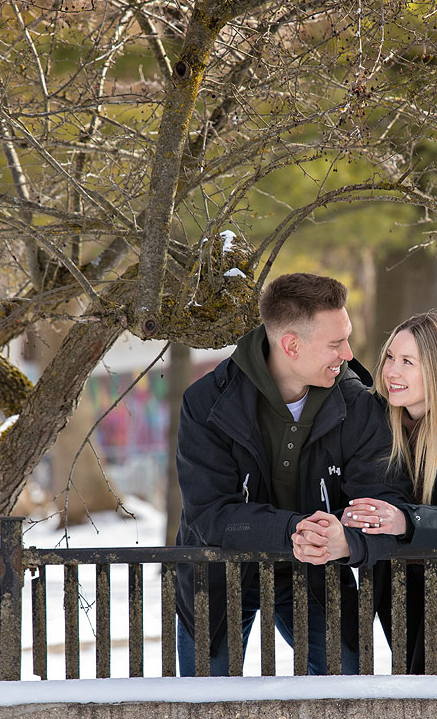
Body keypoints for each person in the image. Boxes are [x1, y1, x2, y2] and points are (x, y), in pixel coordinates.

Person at [174, 272, 408, 676]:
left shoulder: (360, 404)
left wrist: (344, 538)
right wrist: (294, 529)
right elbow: (210, 514)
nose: (349, 354)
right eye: (336, 344)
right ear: (291, 345)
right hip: (219, 572)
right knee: (205, 710)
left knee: (345, 695)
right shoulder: (207, 403)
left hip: (319, 572)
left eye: (347, 338)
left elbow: (379, 497)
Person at [296, 310, 437, 673]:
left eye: (408, 361)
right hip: (396, 578)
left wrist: (405, 520)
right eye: (390, 357)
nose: (391, 371)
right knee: (413, 687)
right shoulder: (373, 413)